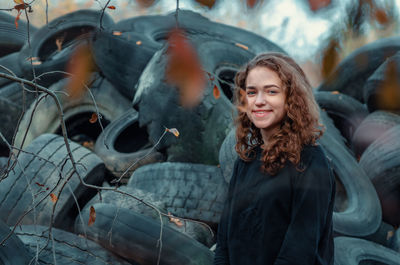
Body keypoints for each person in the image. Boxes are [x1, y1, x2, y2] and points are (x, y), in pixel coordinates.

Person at [213, 52, 336, 265]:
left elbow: (299, 252)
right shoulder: (245, 161)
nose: (259, 101)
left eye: (271, 91)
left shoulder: (311, 162)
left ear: (291, 98)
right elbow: (224, 243)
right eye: (251, 93)